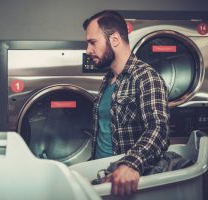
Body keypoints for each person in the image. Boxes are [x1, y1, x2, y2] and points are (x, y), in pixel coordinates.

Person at [83, 10, 170, 196]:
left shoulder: (146, 77)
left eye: (93, 42)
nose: (88, 50)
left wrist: (130, 164)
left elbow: (159, 129)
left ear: (114, 39)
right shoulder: (108, 80)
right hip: (103, 178)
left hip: (124, 183)